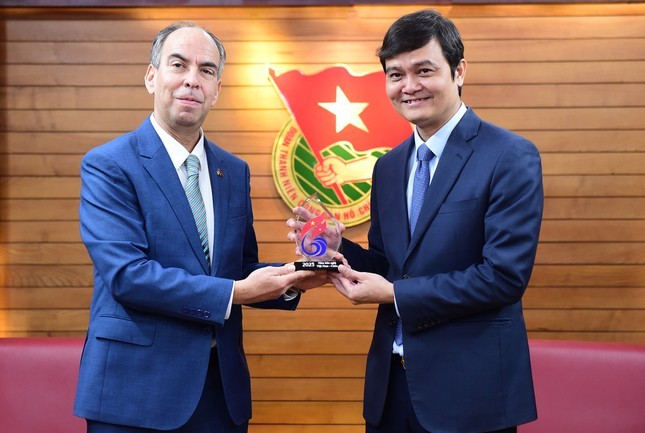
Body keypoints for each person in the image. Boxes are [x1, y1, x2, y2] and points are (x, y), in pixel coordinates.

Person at [291, 9, 543, 433]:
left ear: (459, 70)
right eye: (395, 74)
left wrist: (395, 294)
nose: (409, 87)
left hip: (470, 394)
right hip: (391, 391)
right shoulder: (388, 167)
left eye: (424, 70)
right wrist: (338, 249)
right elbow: (390, 265)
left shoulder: (509, 155)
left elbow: (503, 276)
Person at [74, 21, 317, 433]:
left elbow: (237, 270)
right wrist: (237, 292)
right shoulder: (110, 164)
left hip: (219, 393)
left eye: (206, 70)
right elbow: (128, 276)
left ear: (217, 89)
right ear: (152, 77)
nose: (191, 80)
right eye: (178, 65)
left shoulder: (233, 170)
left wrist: (295, 278)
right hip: (134, 392)